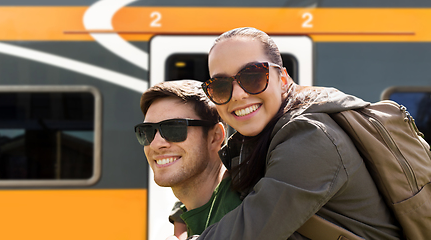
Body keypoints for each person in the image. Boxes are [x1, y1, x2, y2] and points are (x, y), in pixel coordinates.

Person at [190, 27, 404, 239]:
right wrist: (182, 213)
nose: (237, 95)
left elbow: (250, 232)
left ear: (283, 80)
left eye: (253, 76)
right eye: (219, 86)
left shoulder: (312, 138)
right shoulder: (260, 140)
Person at [135, 80, 242, 239]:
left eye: (174, 128)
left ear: (215, 137)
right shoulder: (191, 209)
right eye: (147, 131)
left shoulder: (242, 211)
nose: (156, 144)